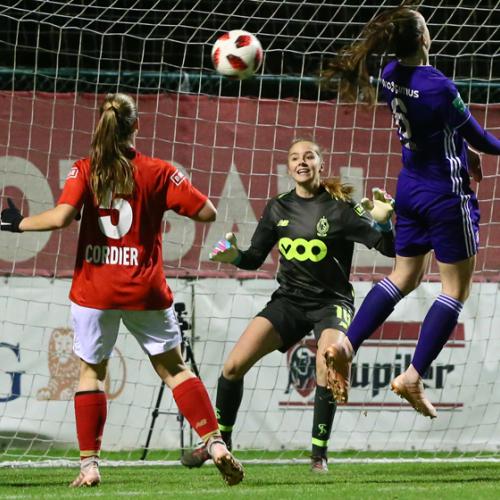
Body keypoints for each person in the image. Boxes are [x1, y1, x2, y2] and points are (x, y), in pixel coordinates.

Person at [0, 93, 244, 487]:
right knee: (174, 370)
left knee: (91, 373)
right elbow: (208, 213)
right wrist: (167, 199)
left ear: (101, 124)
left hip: (96, 290)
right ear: (137, 127)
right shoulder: (160, 171)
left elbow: (62, 217)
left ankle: (90, 466)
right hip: (144, 289)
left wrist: (16, 223)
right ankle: (214, 443)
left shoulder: (86, 169)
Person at [322, 5, 500, 418]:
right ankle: (412, 375)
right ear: (424, 38)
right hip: (445, 194)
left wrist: (461, 148)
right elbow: (486, 139)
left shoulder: (388, 75)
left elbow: (446, 132)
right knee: (454, 288)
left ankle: (348, 343)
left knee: (405, 275)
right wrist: (472, 146)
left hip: (411, 186)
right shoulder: (439, 87)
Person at [180, 138, 396, 472]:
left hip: (331, 304)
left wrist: (383, 223)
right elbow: (253, 257)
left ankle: (318, 456)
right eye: (295, 157)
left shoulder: (340, 206)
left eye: (309, 156)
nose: (302, 162)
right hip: (289, 302)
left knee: (328, 360)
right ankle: (219, 444)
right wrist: (234, 255)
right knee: (232, 367)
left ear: (321, 164)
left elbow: (389, 249)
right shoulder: (278, 207)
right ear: (289, 167)